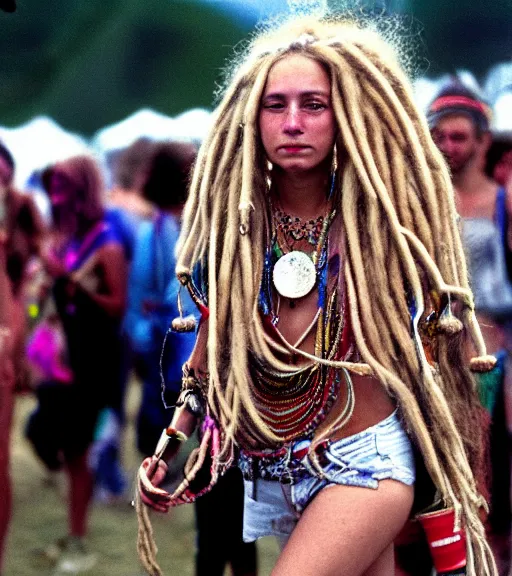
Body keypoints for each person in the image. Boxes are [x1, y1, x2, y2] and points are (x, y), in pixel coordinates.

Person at [136, 15, 497, 576]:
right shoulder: (237, 234)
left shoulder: (382, 228)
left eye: (314, 104)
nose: (294, 123)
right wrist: (171, 445)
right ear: (250, 119)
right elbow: (206, 363)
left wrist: (456, 466)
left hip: (364, 467)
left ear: (347, 114)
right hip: (277, 475)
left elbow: (434, 363)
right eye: (276, 105)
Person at [126, 141, 257, 576]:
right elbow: (195, 376)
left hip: (241, 410)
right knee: (220, 525)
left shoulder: (242, 241)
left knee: (231, 529)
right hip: (212, 405)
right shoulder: (196, 245)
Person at [428, 83, 512, 575]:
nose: (448, 146)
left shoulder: (502, 201)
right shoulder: (424, 199)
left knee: (486, 472)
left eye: (459, 137)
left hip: (492, 357)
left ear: (482, 140)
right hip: (435, 356)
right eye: (440, 136)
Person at [35, 154, 127, 573]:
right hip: (66, 362)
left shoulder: (106, 243)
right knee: (55, 441)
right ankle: (75, 533)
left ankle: (79, 539)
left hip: (94, 364)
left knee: (77, 450)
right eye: (53, 187)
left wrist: (69, 280)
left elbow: (116, 307)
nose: (56, 195)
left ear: (83, 190)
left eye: (63, 186)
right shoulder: (68, 239)